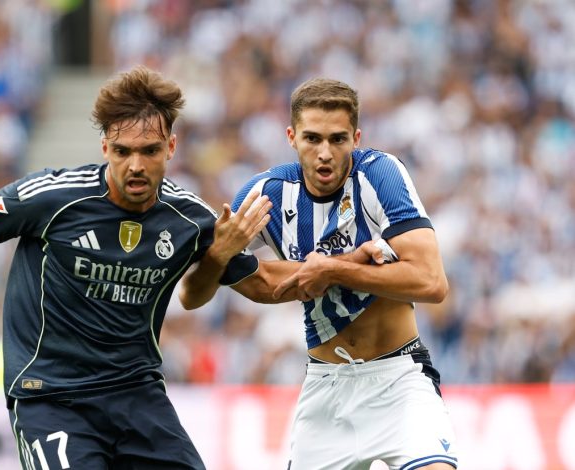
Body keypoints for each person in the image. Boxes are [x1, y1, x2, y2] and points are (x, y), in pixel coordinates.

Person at [0, 65, 285, 470]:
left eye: (149, 151)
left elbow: (261, 283)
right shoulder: (55, 197)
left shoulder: (190, 219)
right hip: (50, 395)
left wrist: (322, 268)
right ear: (105, 147)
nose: (136, 165)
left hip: (136, 395)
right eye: (123, 151)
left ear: (171, 147)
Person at [180, 78, 458, 469]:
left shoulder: (380, 175)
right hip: (326, 389)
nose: (324, 153)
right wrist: (217, 256)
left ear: (355, 139)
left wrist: (333, 269)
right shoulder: (266, 195)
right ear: (291, 137)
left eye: (337, 139)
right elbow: (193, 295)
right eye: (312, 139)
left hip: (399, 379)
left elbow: (432, 282)